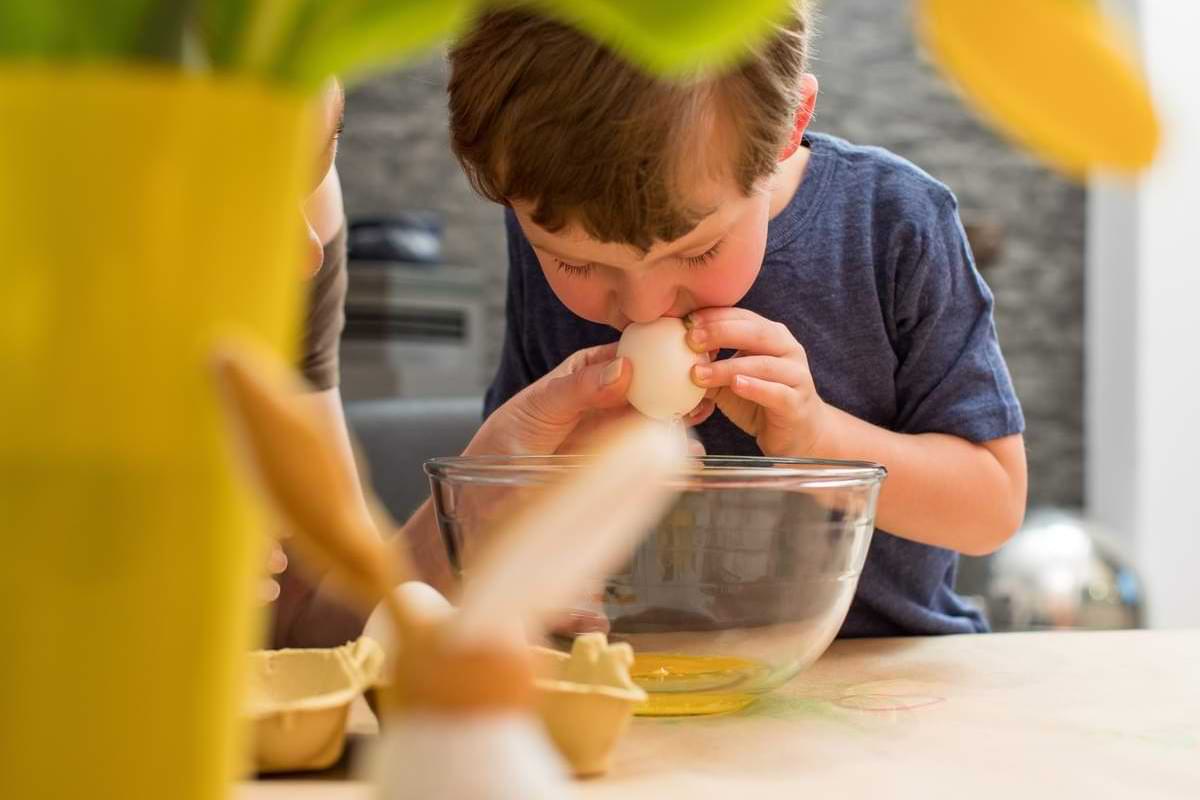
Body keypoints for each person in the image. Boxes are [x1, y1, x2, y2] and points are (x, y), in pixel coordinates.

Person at [441, 3, 1029, 636]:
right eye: (577, 266)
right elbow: (500, 509)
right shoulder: (551, 211)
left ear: (787, 128)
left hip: (882, 676)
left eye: (696, 251)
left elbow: (990, 507)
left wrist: (816, 440)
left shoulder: (892, 222)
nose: (643, 308)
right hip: (622, 680)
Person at [270, 80, 638, 646]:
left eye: (318, 160)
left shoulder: (305, 228)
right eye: (231, 196)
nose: (308, 254)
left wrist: (482, 497)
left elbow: (314, 623)